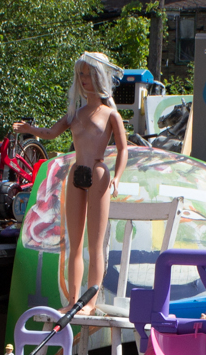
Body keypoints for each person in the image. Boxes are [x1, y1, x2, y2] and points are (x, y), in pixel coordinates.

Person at [15, 53, 127, 310]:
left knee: (95, 244)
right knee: (73, 244)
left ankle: (91, 302)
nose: (84, 80)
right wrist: (30, 130)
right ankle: (73, 300)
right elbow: (51, 133)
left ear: (99, 77)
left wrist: (117, 177)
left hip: (98, 173)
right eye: (81, 75)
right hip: (76, 173)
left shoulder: (110, 114)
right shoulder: (74, 114)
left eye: (88, 74)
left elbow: (123, 149)